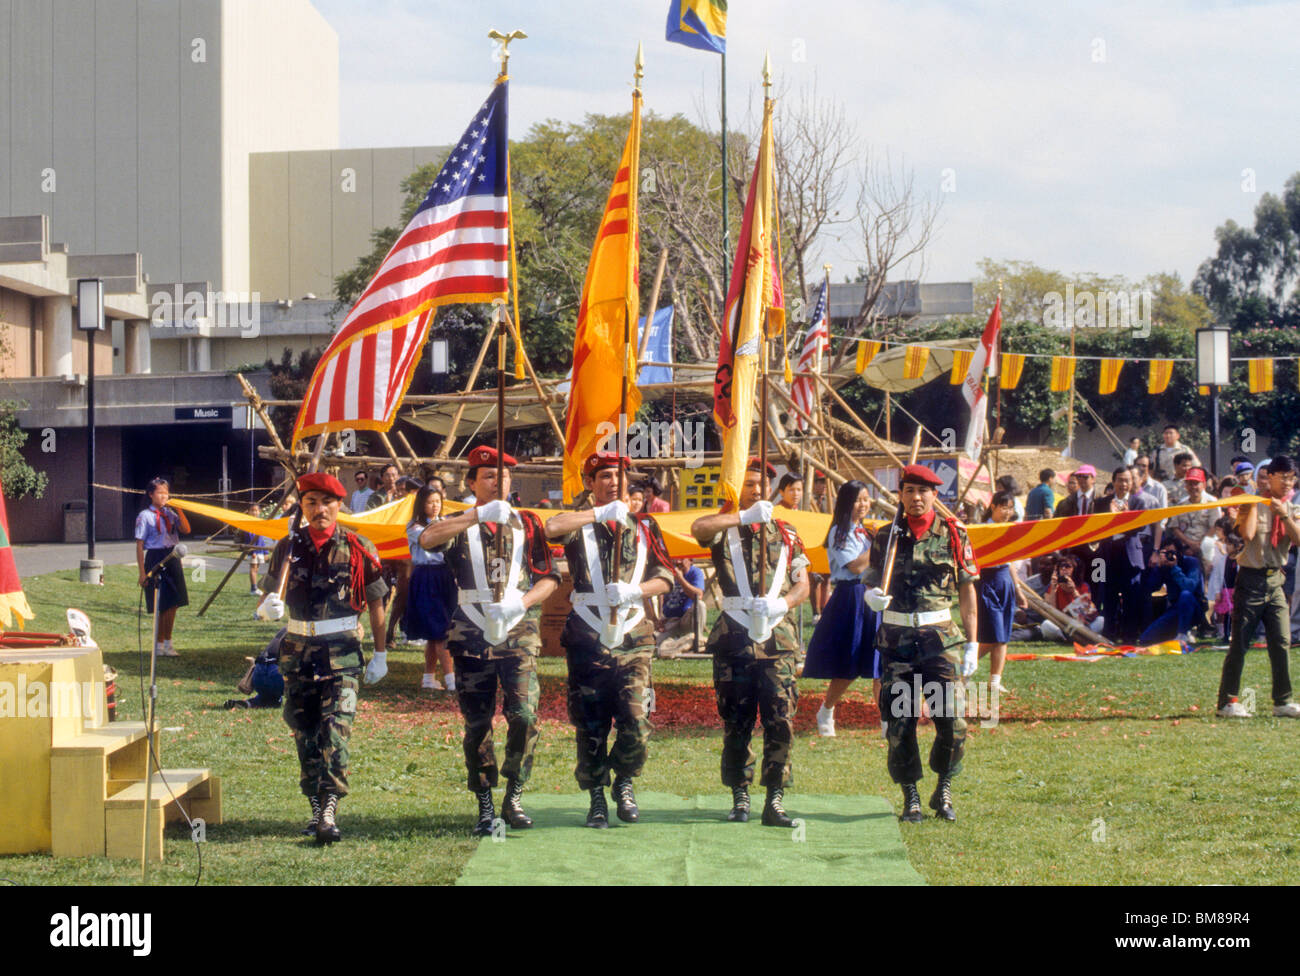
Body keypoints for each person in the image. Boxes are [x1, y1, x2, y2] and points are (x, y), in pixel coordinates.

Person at [419, 445, 560, 833]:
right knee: (478, 722)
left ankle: (514, 794)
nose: (499, 481)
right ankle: (484, 800)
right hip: (471, 632)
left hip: (518, 631)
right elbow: (428, 539)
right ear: (471, 483)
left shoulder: (527, 523)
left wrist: (522, 604)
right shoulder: (461, 521)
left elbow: (549, 577)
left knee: (525, 716)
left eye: (504, 476)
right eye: (488, 476)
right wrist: (476, 515)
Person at [255, 472, 389, 844]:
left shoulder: (359, 547)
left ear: (338, 505)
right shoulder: (288, 547)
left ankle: (330, 808)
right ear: (302, 506)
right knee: (305, 732)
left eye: (326, 503)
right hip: (298, 655)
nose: (319, 510)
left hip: (342, 654)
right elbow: (267, 597)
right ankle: (315, 807)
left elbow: (377, 603)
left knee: (335, 731)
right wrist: (268, 608)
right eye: (311, 502)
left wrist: (380, 653)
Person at [544, 451, 674, 827]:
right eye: (603, 476)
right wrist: (599, 514)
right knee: (591, 723)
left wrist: (635, 593)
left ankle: (625, 780)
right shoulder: (579, 523)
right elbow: (551, 527)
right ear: (590, 483)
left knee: (636, 720)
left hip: (634, 636)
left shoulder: (646, 527)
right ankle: (597, 795)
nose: (613, 482)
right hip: (588, 635)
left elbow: (664, 577)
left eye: (618, 475)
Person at [690, 457, 810, 828]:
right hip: (735, 642)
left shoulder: (787, 534)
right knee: (736, 722)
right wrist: (742, 517)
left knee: (780, 720)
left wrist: (783, 602)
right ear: (737, 490)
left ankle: (774, 798)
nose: (756, 491)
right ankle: (739, 795)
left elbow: (804, 583)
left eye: (761, 485)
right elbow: (699, 527)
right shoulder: (725, 529)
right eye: (748, 485)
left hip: (778, 641)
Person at [862, 464, 978, 823]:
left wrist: (973, 643)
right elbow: (871, 580)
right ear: (900, 495)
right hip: (897, 641)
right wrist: (872, 596)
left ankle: (943, 789)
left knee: (953, 720)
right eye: (909, 490)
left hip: (940, 640)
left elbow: (966, 590)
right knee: (899, 722)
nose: (916, 498)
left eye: (923, 491)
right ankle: (910, 795)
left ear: (935, 495)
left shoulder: (954, 534)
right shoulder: (886, 536)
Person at [1216, 455, 1300, 718]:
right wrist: (1253, 503)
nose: (1287, 483)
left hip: (1276, 580)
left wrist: (1284, 515)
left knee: (1281, 641)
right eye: (1282, 477)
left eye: (1291, 478)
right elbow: (1248, 535)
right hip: (1250, 580)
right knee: (1240, 642)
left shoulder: (1292, 507)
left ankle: (1283, 701)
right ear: (1270, 478)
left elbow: (1297, 538)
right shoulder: (1250, 502)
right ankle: (1227, 702)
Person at [803, 480, 879, 737]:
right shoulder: (839, 532)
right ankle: (827, 709)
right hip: (852, 598)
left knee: (881, 661)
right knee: (850, 662)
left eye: (867, 499)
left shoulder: (866, 532)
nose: (863, 505)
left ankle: (888, 721)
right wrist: (881, 545)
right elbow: (855, 567)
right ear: (847, 503)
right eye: (858, 500)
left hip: (874, 595)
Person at [974, 490, 1027, 694]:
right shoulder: (982, 529)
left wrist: (1018, 589)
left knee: (1003, 635)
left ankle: (995, 681)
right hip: (987, 581)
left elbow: (1010, 563)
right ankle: (962, 668)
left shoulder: (1009, 529)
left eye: (1011, 507)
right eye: (1003, 507)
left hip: (1005, 580)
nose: (1007, 512)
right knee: (991, 636)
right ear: (993, 507)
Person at [405, 487, 456, 692]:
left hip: (444, 575)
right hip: (426, 576)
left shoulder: (444, 522)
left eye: (438, 501)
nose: (435, 506)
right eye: (429, 502)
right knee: (439, 630)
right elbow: (432, 538)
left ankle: (428, 677)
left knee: (437, 632)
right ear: (421, 504)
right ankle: (452, 680)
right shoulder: (414, 526)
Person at [1098, 466, 1158, 643]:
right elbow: (1097, 528)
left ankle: (1129, 637)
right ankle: (1108, 635)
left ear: (1132, 483)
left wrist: (1123, 518)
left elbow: (1140, 527)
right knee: (1108, 597)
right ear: (1113, 481)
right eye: (1120, 480)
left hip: (1131, 555)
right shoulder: (1102, 503)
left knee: (1132, 597)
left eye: (1127, 480)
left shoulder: (1138, 503)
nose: (1123, 484)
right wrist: (1110, 515)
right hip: (1107, 556)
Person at [135, 477, 192, 657]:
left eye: (166, 493)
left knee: (174, 603)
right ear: (151, 495)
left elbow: (186, 530)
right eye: (160, 493)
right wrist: (142, 573)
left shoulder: (170, 514)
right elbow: (139, 545)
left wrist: (180, 511)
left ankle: (169, 642)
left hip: (173, 556)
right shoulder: (145, 516)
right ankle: (159, 644)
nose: (164, 496)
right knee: (161, 603)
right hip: (155, 556)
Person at [1137, 539, 1205, 647]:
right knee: (1145, 639)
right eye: (1165, 553)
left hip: (1194, 608)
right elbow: (1150, 588)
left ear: (1180, 552)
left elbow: (1189, 587)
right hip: (1175, 609)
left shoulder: (1192, 562)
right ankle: (1174, 633)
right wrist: (1158, 568)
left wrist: (1175, 568)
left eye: (1172, 552)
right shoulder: (1164, 566)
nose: (1169, 556)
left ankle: (1183, 634)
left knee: (1185, 595)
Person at [224, 627, 288, 710]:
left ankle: (249, 703)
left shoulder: (287, 627)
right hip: (277, 675)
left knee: (270, 699)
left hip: (258, 675)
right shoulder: (307, 630)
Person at [654, 557, 707, 657]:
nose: (677, 562)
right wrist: (660, 616)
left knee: (700, 605)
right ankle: (678, 643)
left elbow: (698, 595)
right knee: (654, 642)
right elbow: (661, 594)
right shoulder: (669, 573)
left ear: (691, 560)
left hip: (687, 619)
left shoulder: (695, 572)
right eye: (675, 559)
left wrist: (681, 579)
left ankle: (698, 641)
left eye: (681, 559)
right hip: (671, 620)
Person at [242, 502, 273, 596]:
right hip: (253, 550)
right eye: (252, 510)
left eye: (256, 510)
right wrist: (253, 551)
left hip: (260, 550)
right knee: (253, 568)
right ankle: (253, 588)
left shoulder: (260, 523)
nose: (254, 512)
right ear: (249, 512)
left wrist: (265, 552)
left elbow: (261, 539)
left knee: (256, 569)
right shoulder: (249, 523)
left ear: (259, 512)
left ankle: (256, 587)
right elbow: (251, 538)